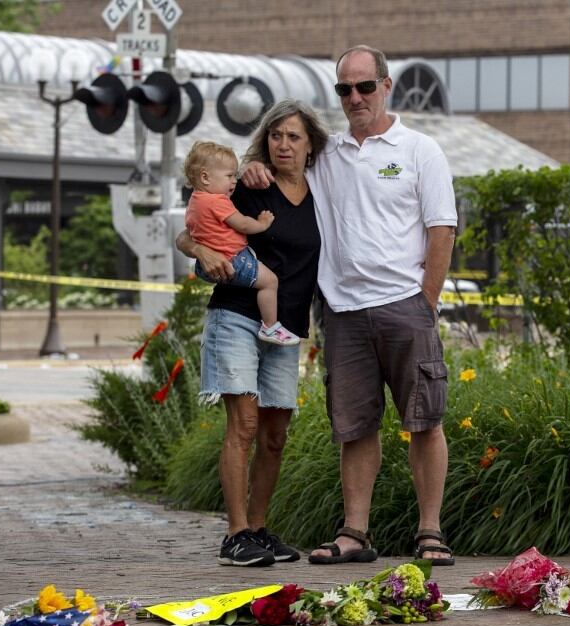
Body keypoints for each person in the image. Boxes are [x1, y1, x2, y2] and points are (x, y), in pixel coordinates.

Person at [242, 44, 458, 566]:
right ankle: (354, 534)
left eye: (365, 86)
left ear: (386, 86)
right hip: (342, 313)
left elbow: (442, 230)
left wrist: (425, 303)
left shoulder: (419, 150)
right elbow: (281, 158)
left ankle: (430, 532)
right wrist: (250, 164)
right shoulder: (328, 155)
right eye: (345, 88)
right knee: (354, 428)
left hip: (405, 305)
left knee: (424, 421)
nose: (355, 97)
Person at [175, 101, 328, 567]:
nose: (284, 144)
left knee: (276, 434)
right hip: (237, 317)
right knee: (243, 424)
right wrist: (201, 251)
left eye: (294, 136)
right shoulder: (245, 187)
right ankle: (235, 534)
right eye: (276, 135)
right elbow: (186, 233)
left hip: (286, 329)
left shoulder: (326, 192)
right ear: (266, 140)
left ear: (310, 146)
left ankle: (259, 530)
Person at [182, 140, 299, 346]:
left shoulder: (194, 202)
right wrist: (262, 223)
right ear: (205, 177)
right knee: (269, 282)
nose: (234, 181)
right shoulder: (217, 201)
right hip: (233, 260)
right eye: (229, 176)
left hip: (206, 267)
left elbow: (190, 233)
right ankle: (270, 326)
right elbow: (243, 224)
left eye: (235, 175)